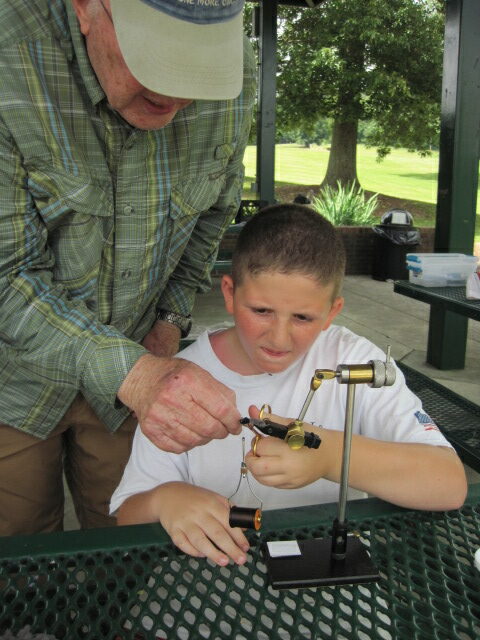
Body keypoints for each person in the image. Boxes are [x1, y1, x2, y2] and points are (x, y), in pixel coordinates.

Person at [0, 0, 255, 536]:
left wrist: (169, 323)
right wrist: (133, 374)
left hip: (136, 363)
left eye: (201, 68)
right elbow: (6, 275)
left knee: (125, 543)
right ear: (87, 7)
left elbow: (210, 219)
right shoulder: (9, 60)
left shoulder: (236, 73)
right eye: (156, 57)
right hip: (11, 385)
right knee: (18, 552)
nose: (180, 96)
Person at [111, 204, 467, 566]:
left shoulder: (355, 361)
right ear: (230, 293)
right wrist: (166, 499)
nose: (279, 338)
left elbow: (449, 482)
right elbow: (128, 514)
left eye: (302, 317)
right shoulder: (179, 381)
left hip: (331, 588)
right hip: (206, 589)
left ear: (331, 311)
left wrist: (329, 456)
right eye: (261, 311)